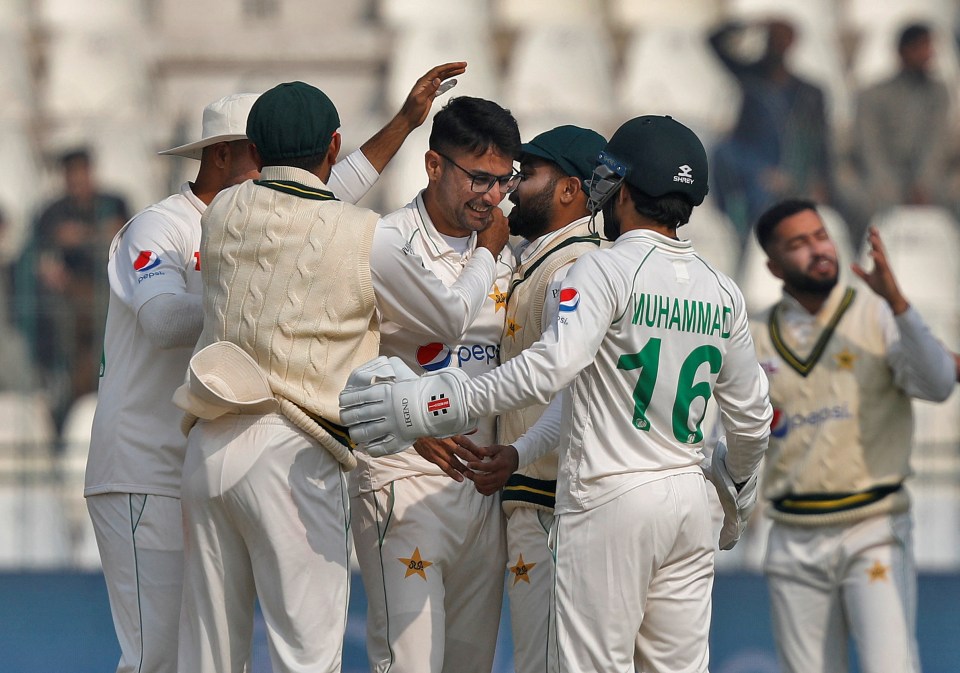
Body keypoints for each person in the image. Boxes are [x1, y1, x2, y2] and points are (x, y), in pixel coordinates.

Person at [341, 115, 773, 673]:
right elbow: (752, 418)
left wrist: (432, 405)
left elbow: (548, 370)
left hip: (608, 499)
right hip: (689, 503)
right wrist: (736, 495)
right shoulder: (723, 289)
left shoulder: (601, 269)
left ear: (623, 187)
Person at [85, 62, 464, 673]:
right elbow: (160, 323)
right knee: (158, 656)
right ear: (229, 155)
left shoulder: (253, 214)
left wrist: (403, 123)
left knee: (202, 658)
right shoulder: (159, 226)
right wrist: (251, 301)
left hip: (202, 452)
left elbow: (323, 205)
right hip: (143, 463)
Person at [750, 198, 957, 673]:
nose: (818, 250)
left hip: (873, 530)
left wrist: (899, 302)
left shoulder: (878, 312)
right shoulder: (754, 334)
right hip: (792, 535)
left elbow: (941, 383)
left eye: (820, 236)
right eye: (798, 244)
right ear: (773, 266)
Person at [349, 95, 518, 673]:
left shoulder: (508, 256)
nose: (491, 197)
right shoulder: (385, 241)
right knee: (408, 663)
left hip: (482, 490)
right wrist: (410, 429)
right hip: (405, 483)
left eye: (503, 182)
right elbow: (353, 359)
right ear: (433, 166)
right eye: (478, 178)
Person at [454, 124, 607, 673]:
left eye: (531, 173)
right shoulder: (547, 260)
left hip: (553, 504)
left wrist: (518, 453)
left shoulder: (574, 269)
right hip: (539, 499)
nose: (513, 188)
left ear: (569, 189)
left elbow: (577, 389)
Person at [18, 147, 130, 427]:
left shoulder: (113, 202)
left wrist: (81, 237)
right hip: (68, 298)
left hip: (109, 291)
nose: (77, 180)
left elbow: (126, 237)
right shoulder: (52, 211)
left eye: (82, 173)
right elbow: (38, 256)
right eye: (71, 174)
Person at [708, 18, 831, 246]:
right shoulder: (751, 81)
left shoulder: (810, 93)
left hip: (796, 175)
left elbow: (820, 144)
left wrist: (818, 179)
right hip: (755, 174)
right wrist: (752, 25)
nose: (776, 45)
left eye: (782, 39)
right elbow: (713, 39)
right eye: (772, 38)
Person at [847, 23, 952, 235]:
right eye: (922, 47)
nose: (929, 54)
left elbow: (937, 144)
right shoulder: (873, 94)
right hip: (881, 182)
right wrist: (891, 188)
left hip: (928, 182)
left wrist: (923, 184)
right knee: (860, 205)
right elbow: (870, 148)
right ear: (904, 51)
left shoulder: (939, 93)